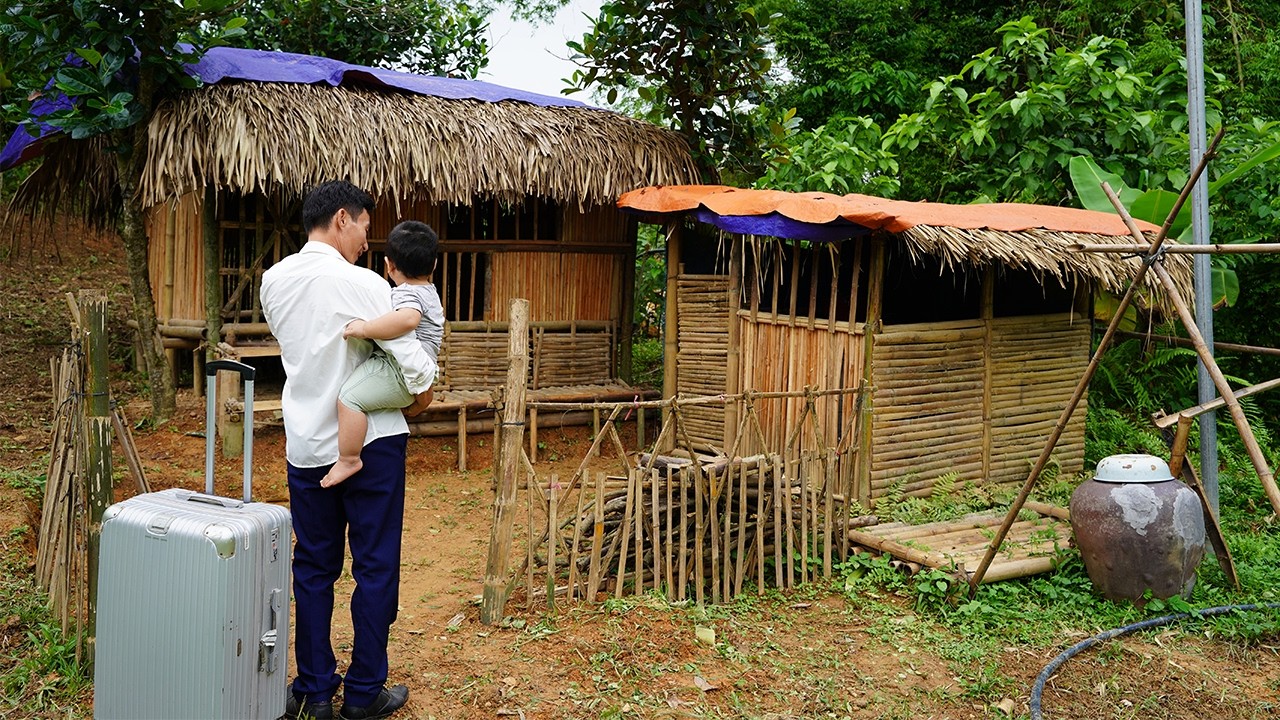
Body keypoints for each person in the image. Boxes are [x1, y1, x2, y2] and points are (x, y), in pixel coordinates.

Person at [261, 181, 434, 720]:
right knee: (375, 565)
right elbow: (417, 371)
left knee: (312, 567)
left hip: (308, 444)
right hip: (373, 444)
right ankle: (363, 693)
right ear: (342, 218)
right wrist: (421, 394)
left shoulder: (274, 281)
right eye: (363, 225)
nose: (366, 238)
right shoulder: (364, 285)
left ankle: (313, 691)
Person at [323, 220, 443, 488]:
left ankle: (349, 458)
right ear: (434, 265)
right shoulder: (429, 292)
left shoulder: (407, 295)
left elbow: (408, 319)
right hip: (411, 375)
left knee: (349, 399)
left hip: (399, 373)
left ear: (389, 265)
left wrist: (365, 328)